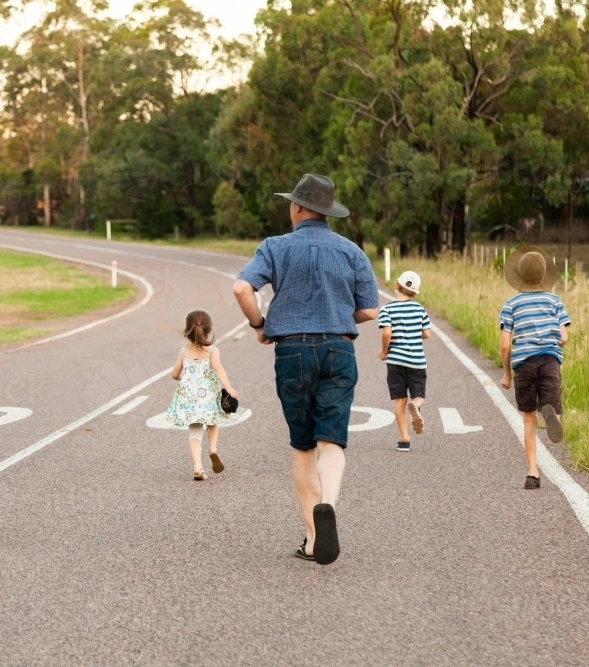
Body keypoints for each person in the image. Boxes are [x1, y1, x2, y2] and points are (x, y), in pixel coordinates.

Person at [232, 174, 378, 565]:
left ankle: (313, 540)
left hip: (292, 350)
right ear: (327, 211)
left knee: (303, 446)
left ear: (297, 208)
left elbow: (242, 289)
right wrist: (338, 314)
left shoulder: (275, 247)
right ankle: (328, 504)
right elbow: (369, 310)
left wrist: (258, 325)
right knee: (332, 441)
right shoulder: (351, 251)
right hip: (338, 349)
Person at [498, 246, 571, 490]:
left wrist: (507, 374)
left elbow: (505, 345)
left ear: (518, 275)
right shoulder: (554, 300)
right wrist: (548, 336)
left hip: (524, 364)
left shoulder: (511, 304)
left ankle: (532, 474)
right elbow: (564, 337)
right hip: (549, 360)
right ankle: (551, 414)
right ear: (543, 275)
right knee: (551, 404)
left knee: (528, 418)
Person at [166, 310, 239, 481]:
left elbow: (174, 374)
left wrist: (183, 375)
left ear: (187, 330)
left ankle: (198, 467)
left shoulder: (184, 352)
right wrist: (229, 388)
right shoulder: (212, 350)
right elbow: (219, 370)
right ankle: (213, 448)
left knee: (194, 432)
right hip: (208, 396)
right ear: (208, 329)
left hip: (189, 397)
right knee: (213, 421)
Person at [377, 271, 431, 452]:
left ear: (395, 285)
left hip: (395, 361)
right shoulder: (419, 309)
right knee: (419, 396)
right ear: (415, 293)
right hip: (416, 361)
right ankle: (415, 406)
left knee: (399, 400)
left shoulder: (386, 309)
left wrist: (384, 351)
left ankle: (404, 440)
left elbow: (386, 333)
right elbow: (427, 333)